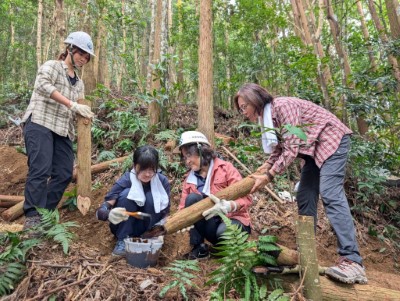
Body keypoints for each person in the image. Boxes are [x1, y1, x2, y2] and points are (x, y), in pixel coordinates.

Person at [234, 83, 367, 284]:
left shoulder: (282, 106)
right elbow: (280, 149)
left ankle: (353, 261)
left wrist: (269, 176)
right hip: (314, 153)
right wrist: (265, 168)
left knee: (330, 193)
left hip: (333, 141)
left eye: (244, 106)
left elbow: (291, 148)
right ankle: (306, 255)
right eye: (240, 108)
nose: (243, 112)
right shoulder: (269, 119)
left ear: (255, 100)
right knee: (305, 196)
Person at [22, 32, 95, 230]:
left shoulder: (79, 83)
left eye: (87, 56)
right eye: (81, 53)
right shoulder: (52, 66)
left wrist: (84, 114)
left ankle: (44, 214)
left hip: (62, 131)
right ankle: (32, 217)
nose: (83, 58)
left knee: (63, 173)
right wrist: (72, 105)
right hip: (40, 122)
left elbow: (76, 109)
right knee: (40, 169)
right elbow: (42, 85)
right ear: (70, 49)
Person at [177, 131, 252, 259]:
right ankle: (199, 248)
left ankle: (229, 251)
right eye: (185, 157)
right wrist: (181, 220)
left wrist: (231, 205)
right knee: (192, 199)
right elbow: (183, 206)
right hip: (212, 224)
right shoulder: (189, 179)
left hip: (234, 221)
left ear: (202, 151)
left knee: (224, 232)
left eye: (189, 155)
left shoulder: (226, 168)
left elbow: (247, 198)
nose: (187, 161)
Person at [96, 145, 170, 256]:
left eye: (151, 169)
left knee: (151, 198)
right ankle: (123, 240)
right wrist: (109, 214)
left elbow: (166, 212)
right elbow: (101, 211)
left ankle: (147, 239)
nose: (148, 174)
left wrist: (160, 230)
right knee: (126, 195)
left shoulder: (162, 181)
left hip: (149, 228)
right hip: (125, 225)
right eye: (144, 169)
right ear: (135, 166)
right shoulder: (126, 179)